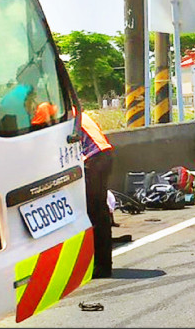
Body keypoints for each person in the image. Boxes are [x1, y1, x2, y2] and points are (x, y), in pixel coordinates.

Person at [80, 111, 115, 278]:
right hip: (103, 156)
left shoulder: (58, 112)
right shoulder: (78, 113)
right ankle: (102, 263)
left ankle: (101, 265)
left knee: (94, 212)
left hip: (94, 159)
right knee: (99, 211)